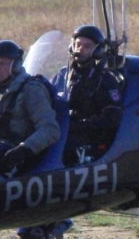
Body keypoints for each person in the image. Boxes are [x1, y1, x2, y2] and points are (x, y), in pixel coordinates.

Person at [0, 39, 60, 174]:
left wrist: (24, 149)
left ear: (15, 66)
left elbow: (50, 129)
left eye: (2, 63)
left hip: (14, 152)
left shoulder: (31, 89)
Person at [51, 24, 123, 165]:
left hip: (88, 137)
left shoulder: (104, 80)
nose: (80, 49)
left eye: (87, 46)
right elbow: (48, 100)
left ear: (97, 51)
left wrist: (81, 125)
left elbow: (112, 117)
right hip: (62, 130)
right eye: (77, 45)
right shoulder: (63, 75)